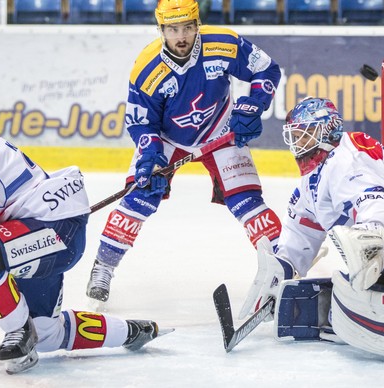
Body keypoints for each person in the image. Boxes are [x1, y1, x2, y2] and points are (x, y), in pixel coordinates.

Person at [0, 87, 166, 374]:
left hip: (49, 232)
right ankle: (129, 331)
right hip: (44, 237)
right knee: (47, 334)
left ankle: (17, 331)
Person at [86, 0, 283, 302]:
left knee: (247, 201)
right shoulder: (147, 69)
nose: (181, 36)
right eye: (173, 29)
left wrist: (253, 104)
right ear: (161, 30)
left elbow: (267, 69)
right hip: (168, 138)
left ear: (197, 25)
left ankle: (283, 263)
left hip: (220, 128)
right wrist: (151, 158)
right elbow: (142, 122)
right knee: (139, 197)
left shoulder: (225, 45)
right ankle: (103, 267)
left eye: (187, 28)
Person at [240, 97, 384, 365]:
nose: (298, 142)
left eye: (306, 134)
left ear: (328, 130)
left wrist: (372, 243)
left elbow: (381, 206)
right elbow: (301, 234)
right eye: (295, 135)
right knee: (359, 299)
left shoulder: (346, 158)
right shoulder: (311, 182)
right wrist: (279, 271)